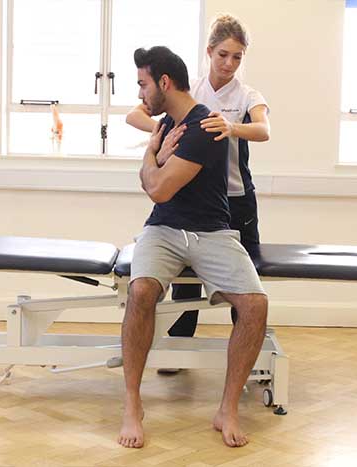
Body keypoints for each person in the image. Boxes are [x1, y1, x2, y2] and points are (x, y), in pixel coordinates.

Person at [118, 46, 268, 449]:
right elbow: (153, 188)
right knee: (141, 291)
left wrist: (153, 159)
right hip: (163, 230)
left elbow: (159, 187)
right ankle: (133, 404)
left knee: (254, 304)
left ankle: (228, 408)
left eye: (143, 83)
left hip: (211, 232)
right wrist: (153, 151)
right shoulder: (166, 124)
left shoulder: (204, 126)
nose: (140, 93)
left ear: (164, 82)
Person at [126, 14, 270, 347]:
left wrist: (231, 127)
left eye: (237, 57)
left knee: (246, 286)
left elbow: (263, 130)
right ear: (209, 52)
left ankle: (252, 355)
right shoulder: (192, 92)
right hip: (195, 196)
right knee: (185, 283)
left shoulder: (248, 95)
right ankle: (179, 346)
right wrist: (166, 133)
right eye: (223, 55)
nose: (229, 63)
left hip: (236, 198)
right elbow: (136, 113)